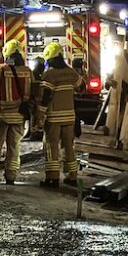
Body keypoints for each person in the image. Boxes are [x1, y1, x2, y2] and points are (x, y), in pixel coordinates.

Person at [0, 39, 34, 185]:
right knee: (14, 147)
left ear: (7, 54)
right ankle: (11, 177)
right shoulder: (28, 71)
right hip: (19, 117)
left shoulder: (0, 69)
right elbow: (33, 93)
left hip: (1, 115)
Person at [36, 41, 85, 188]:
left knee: (51, 147)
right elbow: (82, 87)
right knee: (68, 147)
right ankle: (72, 176)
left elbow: (45, 97)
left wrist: (40, 116)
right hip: (70, 117)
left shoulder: (49, 75)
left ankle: (52, 178)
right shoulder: (71, 72)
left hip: (53, 118)